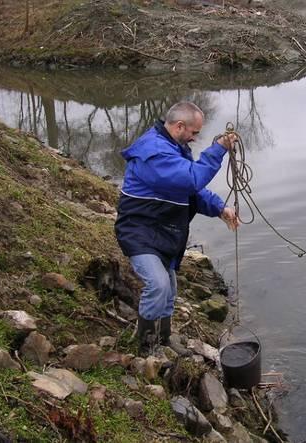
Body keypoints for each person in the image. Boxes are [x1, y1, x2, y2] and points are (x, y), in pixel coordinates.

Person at [115, 101, 239, 356]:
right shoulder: (154, 152)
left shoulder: (174, 147)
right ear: (180, 126)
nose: (196, 138)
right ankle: (146, 347)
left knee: (169, 290)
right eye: (194, 133)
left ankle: (165, 337)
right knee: (158, 285)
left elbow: (189, 190)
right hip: (140, 230)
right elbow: (190, 178)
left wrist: (219, 208)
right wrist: (218, 150)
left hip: (165, 232)